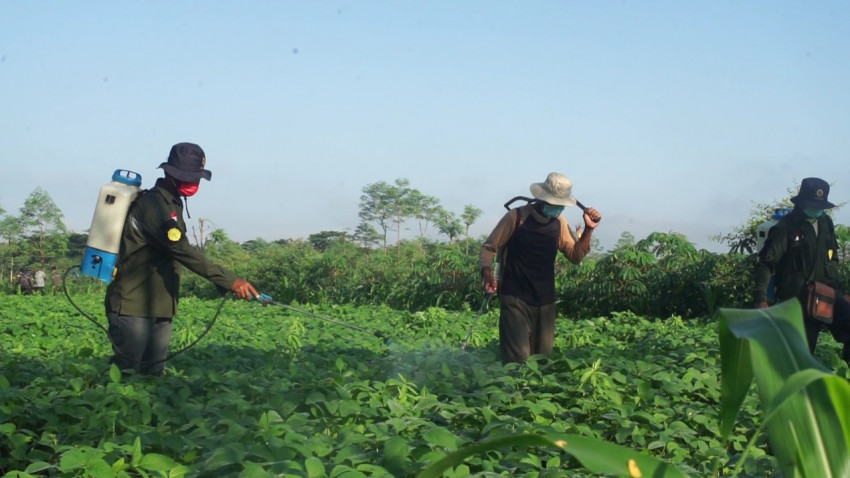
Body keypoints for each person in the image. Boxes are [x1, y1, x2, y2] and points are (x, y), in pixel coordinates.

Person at [105, 142, 260, 376]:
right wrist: (229, 281)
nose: (193, 182)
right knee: (126, 378)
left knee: (153, 378)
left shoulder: (173, 204)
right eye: (187, 176)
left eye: (195, 177)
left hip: (161, 306)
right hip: (132, 307)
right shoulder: (153, 204)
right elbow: (181, 250)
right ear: (169, 173)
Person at [479, 172, 601, 364]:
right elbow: (489, 248)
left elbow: (575, 256)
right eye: (554, 204)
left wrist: (589, 229)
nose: (557, 209)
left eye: (560, 205)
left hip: (545, 300)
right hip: (515, 297)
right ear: (542, 199)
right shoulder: (516, 217)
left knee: (542, 361)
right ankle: (512, 393)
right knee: (517, 361)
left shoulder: (559, 223)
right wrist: (487, 274)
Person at [755, 177, 850, 363]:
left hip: (828, 294)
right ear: (801, 202)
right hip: (798, 300)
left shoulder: (825, 223)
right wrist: (760, 299)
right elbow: (766, 264)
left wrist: (842, 292)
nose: (816, 209)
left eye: (819, 205)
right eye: (812, 204)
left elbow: (832, 258)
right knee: (800, 357)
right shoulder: (785, 228)